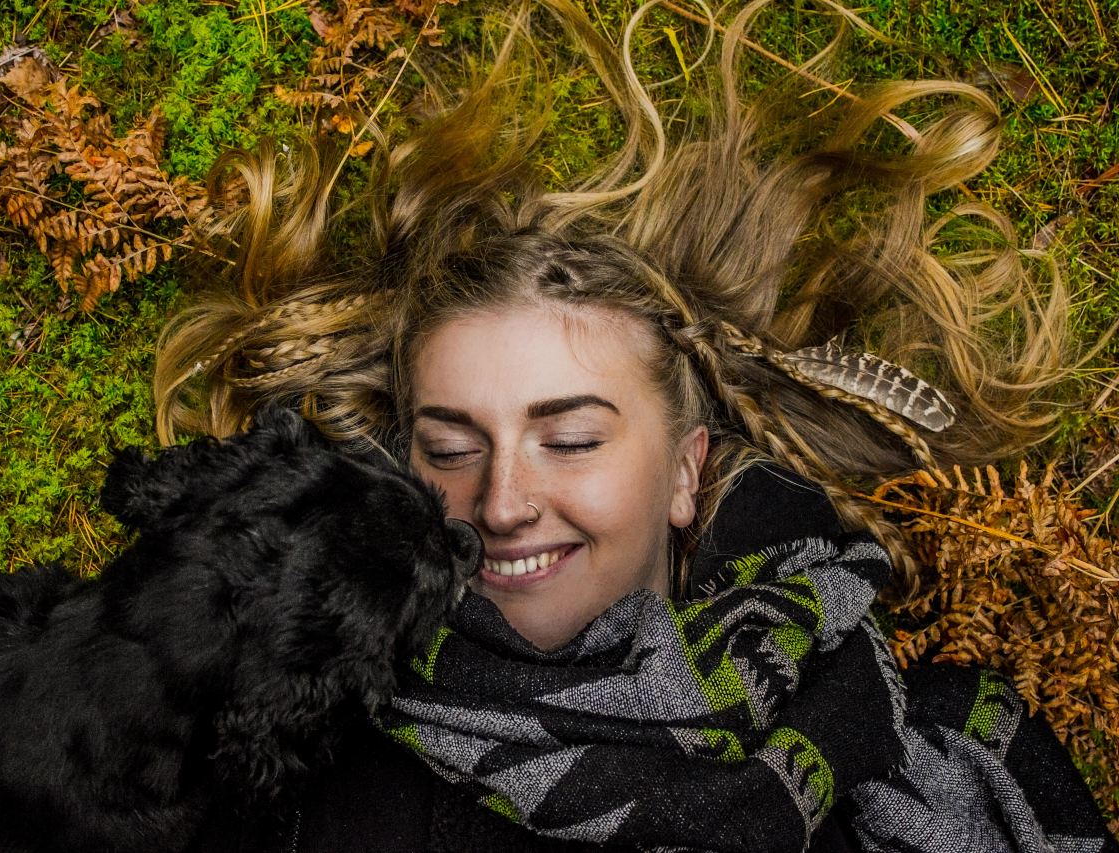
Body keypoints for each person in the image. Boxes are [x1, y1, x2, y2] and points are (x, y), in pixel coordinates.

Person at [154, 0, 1119, 850]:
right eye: (450, 448)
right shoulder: (287, 738)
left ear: (686, 473)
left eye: (569, 439)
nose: (498, 503)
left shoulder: (894, 739)